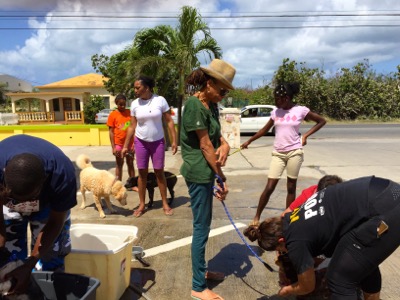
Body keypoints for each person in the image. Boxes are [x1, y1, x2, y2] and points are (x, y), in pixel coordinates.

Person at [244, 176, 400, 300]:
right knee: (358, 260)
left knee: (339, 278)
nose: (284, 252)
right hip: (385, 190)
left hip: (386, 210)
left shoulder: (295, 241)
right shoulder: (293, 216)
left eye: (281, 249)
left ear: (280, 241)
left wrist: (288, 290)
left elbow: (307, 286)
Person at [180, 59, 234, 300]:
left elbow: (216, 137)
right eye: (221, 90)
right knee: (201, 228)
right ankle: (197, 286)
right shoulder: (194, 106)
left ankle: (201, 271)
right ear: (209, 84)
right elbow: (204, 145)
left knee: (205, 225)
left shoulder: (210, 104)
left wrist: (226, 144)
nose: (223, 94)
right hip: (199, 172)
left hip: (207, 170)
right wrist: (221, 177)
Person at [241, 82, 326, 226]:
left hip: (295, 152)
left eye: (277, 99)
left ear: (286, 98)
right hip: (278, 154)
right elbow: (264, 130)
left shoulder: (300, 110)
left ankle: (288, 220)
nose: (275, 102)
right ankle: (256, 218)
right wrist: (249, 141)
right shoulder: (276, 112)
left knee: (291, 187)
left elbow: (321, 121)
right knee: (269, 187)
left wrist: (305, 136)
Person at [0, 135, 77, 294]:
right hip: (7, 201)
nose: (23, 206)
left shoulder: (62, 174)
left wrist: (30, 264)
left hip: (48, 207)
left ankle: (47, 293)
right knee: (8, 263)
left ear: (44, 181)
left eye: (28, 199)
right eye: (15, 199)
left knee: (51, 259)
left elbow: (56, 222)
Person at [121, 75, 177, 217]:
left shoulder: (160, 100)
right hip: (141, 142)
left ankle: (165, 203)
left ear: (147, 87)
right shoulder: (134, 104)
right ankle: (142, 204)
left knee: (159, 172)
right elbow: (132, 126)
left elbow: (169, 121)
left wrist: (174, 140)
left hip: (158, 142)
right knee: (142, 174)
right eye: (135, 88)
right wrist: (126, 145)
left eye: (137, 87)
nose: (135, 90)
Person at [107, 93, 138, 191]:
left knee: (130, 163)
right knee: (119, 165)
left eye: (124, 104)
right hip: (118, 144)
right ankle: (119, 186)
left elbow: (134, 128)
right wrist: (113, 147)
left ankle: (132, 184)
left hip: (130, 144)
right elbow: (111, 132)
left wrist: (134, 143)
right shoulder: (113, 115)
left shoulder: (130, 113)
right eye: (120, 104)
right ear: (116, 104)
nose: (123, 106)